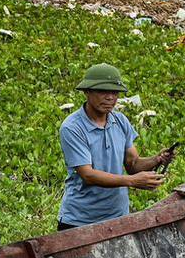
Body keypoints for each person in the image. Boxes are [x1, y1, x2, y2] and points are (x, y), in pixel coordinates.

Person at [56, 62, 174, 229]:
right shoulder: (72, 127)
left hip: (117, 217)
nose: (110, 97)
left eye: (114, 92)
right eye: (102, 91)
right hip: (80, 220)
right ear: (87, 92)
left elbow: (133, 164)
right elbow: (87, 175)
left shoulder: (119, 120)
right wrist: (132, 181)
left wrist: (157, 159)